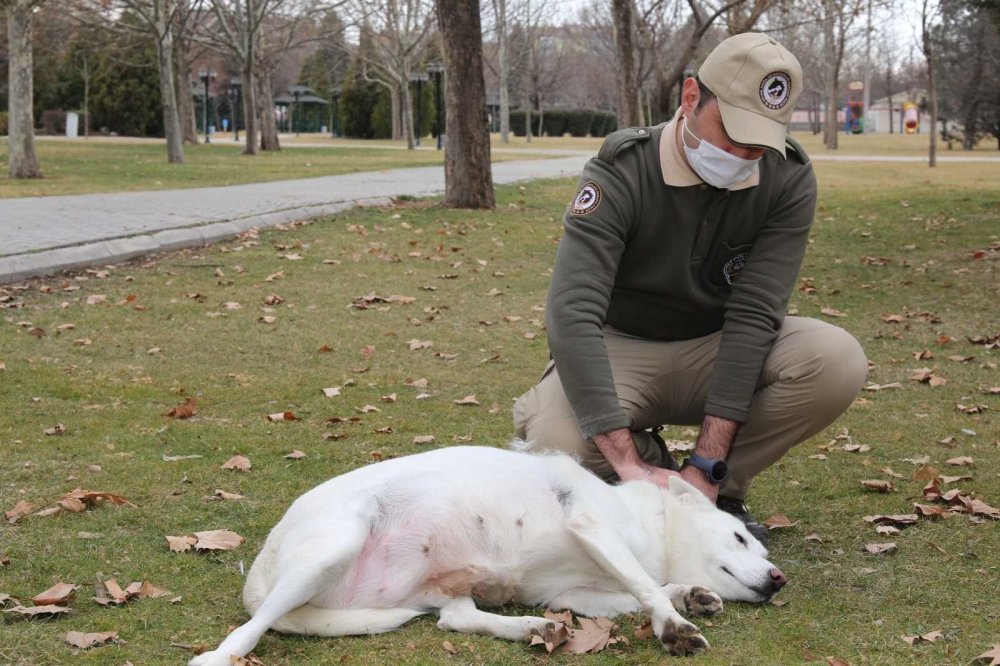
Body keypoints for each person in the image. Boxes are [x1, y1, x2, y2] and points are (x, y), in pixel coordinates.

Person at [513, 33, 868, 544]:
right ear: (690, 99)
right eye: (732, 131)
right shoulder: (623, 169)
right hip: (622, 345)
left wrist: (709, 463)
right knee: (556, 440)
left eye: (760, 140)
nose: (743, 153)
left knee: (837, 360)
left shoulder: (787, 178)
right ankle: (647, 471)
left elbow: (755, 314)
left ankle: (717, 493)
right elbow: (572, 312)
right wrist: (627, 460)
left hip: (715, 344)